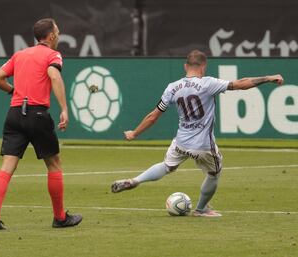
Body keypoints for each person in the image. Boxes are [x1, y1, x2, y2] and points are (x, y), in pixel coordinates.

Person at [111, 50, 284, 217]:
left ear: (185, 66)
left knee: (166, 166)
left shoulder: (172, 87)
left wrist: (134, 133)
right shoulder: (208, 83)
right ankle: (201, 210)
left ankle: (136, 180)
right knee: (214, 174)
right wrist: (267, 78)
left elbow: (153, 116)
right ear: (203, 67)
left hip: (181, 142)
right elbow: (241, 84)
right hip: (203, 145)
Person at [0, 18, 82, 230]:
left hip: (14, 115)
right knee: (54, 164)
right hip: (37, 115)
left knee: (7, 167)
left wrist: (13, 91)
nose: (58, 34)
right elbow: (54, 77)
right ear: (51, 36)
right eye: (57, 31)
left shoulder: (20, 54)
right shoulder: (52, 55)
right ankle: (59, 218)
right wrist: (64, 109)